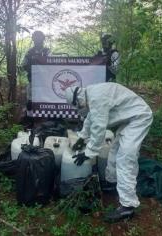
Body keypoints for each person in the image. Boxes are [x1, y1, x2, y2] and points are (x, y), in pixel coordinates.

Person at [65, 83, 153, 222]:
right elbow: (90, 119)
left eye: (78, 106)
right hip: (129, 119)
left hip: (139, 118)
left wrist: (89, 152)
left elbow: (98, 128)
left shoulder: (96, 97)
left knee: (125, 159)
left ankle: (127, 206)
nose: (79, 109)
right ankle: (112, 184)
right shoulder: (91, 95)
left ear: (78, 98)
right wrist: (82, 137)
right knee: (114, 152)